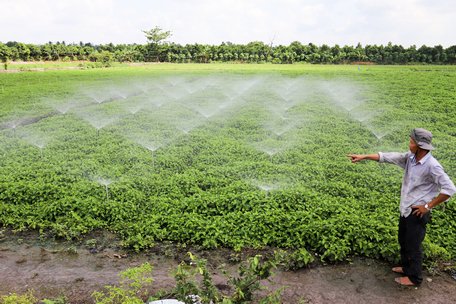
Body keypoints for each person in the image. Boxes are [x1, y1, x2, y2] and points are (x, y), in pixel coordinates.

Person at [348, 128, 456, 286]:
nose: (409, 143)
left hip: (418, 212)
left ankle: (415, 278)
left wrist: (428, 206)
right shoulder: (410, 157)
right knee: (403, 240)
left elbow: (450, 189)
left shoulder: (432, 166)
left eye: (412, 141)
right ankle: (407, 268)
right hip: (406, 208)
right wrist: (364, 156)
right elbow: (387, 157)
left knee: (413, 245)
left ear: (420, 146)